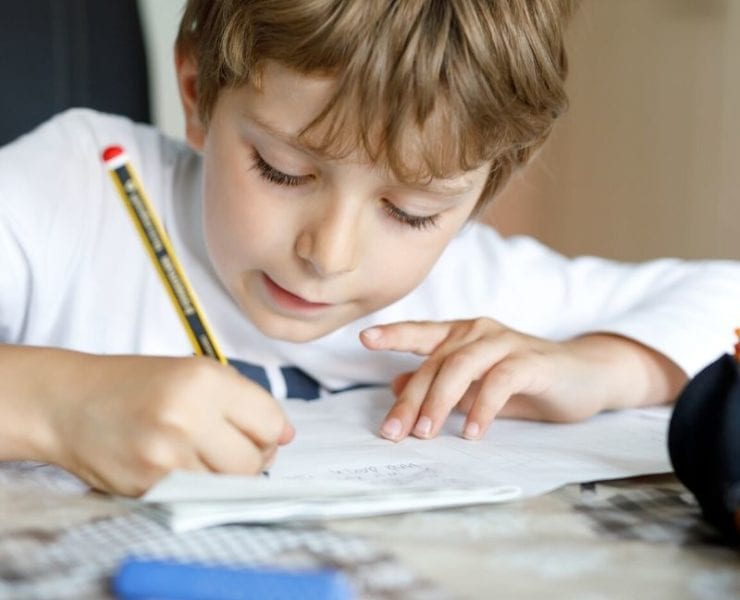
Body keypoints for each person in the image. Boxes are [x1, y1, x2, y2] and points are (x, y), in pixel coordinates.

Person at [0, 0, 738, 497]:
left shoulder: (469, 284)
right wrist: (56, 405)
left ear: (480, 191)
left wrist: (603, 367)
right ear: (197, 93)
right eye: (282, 171)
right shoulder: (76, 190)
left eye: (411, 213)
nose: (329, 254)